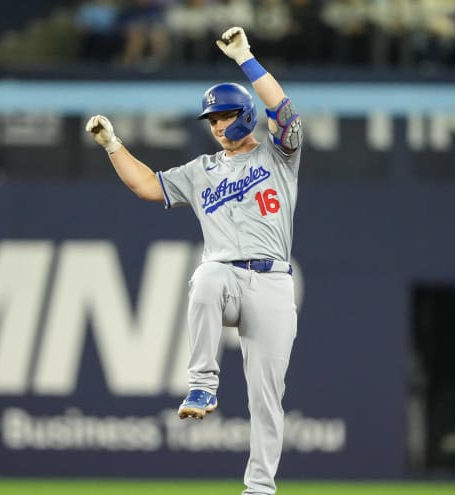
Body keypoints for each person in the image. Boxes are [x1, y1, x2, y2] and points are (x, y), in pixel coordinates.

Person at [86, 26, 303, 495]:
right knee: (204, 277)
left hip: (272, 283)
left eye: (225, 116)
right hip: (226, 277)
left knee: (268, 398)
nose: (219, 126)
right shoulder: (201, 171)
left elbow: (283, 111)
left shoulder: (278, 155)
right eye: (212, 120)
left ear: (243, 114)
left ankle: (260, 489)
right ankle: (202, 383)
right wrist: (112, 146)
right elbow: (147, 186)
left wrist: (246, 57)